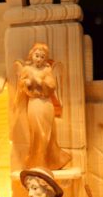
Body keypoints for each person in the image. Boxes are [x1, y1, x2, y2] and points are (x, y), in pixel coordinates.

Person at [14, 42, 70, 170]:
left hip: (46, 103)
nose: (39, 59)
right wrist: (27, 83)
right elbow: (21, 85)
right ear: (32, 55)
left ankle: (52, 161)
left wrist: (42, 82)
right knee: (38, 133)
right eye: (37, 55)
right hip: (34, 104)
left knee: (49, 133)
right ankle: (37, 161)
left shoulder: (47, 69)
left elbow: (52, 85)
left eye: (42, 57)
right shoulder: (27, 69)